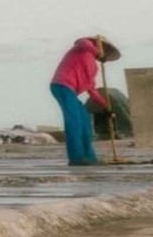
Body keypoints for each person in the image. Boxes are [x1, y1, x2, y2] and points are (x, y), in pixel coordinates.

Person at [49, 36, 120, 166]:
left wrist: (106, 107)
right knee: (74, 122)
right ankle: (76, 158)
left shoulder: (93, 67)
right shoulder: (83, 48)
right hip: (62, 85)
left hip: (71, 92)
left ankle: (89, 157)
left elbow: (91, 88)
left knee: (85, 122)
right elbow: (81, 41)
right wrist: (97, 51)